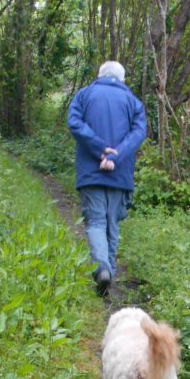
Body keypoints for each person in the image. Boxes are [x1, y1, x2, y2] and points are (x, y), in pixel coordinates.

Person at [67, 60, 147, 295]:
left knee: (95, 221)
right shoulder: (133, 102)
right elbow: (138, 133)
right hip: (119, 174)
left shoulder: (84, 95)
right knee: (112, 224)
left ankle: (102, 269)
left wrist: (100, 148)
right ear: (122, 79)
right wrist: (116, 155)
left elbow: (74, 123)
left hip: (91, 172)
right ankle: (107, 273)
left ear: (99, 75)